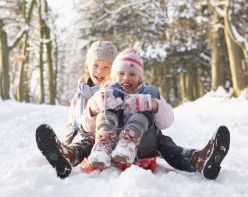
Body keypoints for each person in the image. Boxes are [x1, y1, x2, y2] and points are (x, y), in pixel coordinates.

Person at [84, 49, 230, 180]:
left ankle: (199, 160)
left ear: (139, 77)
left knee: (165, 142)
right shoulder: (106, 92)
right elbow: (86, 126)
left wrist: (153, 104)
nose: (126, 78)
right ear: (114, 75)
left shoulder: (147, 92)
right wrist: (94, 106)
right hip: (110, 143)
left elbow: (167, 122)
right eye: (121, 73)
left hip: (144, 143)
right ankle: (88, 150)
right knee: (97, 122)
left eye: (132, 74)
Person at [35, 40, 119, 178]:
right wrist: (68, 139)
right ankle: (65, 154)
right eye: (96, 65)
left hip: (107, 138)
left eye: (106, 67)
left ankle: (70, 155)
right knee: (83, 142)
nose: (99, 71)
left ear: (114, 70)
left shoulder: (115, 92)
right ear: (87, 66)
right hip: (83, 135)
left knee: (90, 141)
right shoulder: (80, 94)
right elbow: (73, 122)